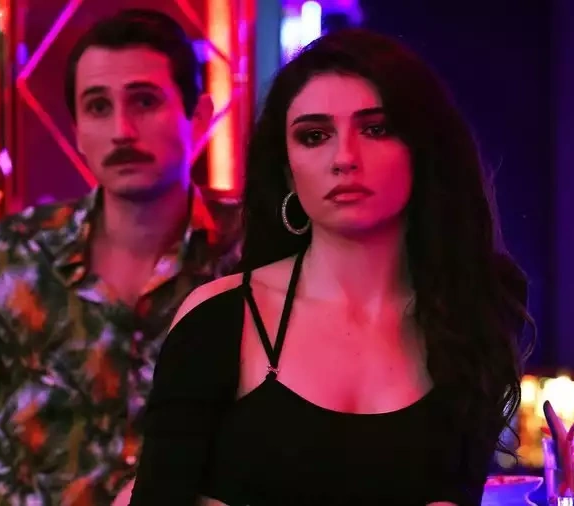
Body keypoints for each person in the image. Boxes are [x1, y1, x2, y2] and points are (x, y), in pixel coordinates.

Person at [128, 28, 533, 506]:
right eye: (314, 136)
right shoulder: (221, 318)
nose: (344, 158)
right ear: (287, 171)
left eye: (375, 129)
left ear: (421, 151)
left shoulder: (470, 314)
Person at [0, 9, 240, 505]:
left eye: (144, 101)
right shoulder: (18, 252)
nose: (122, 130)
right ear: (77, 130)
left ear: (199, 116)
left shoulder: (247, 253)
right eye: (98, 107)